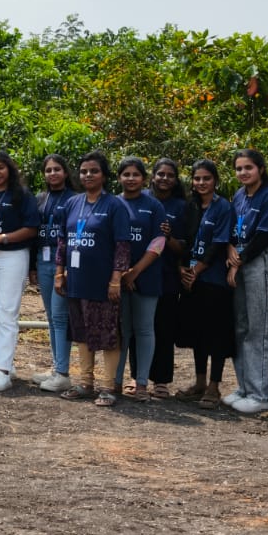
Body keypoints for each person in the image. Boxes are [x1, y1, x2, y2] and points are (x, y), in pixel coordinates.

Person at [54, 151, 127, 404]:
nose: (88, 175)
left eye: (94, 171)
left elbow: (122, 245)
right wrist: (58, 273)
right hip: (75, 281)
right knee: (81, 332)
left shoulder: (115, 205)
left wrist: (116, 280)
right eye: (84, 171)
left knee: (107, 335)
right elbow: (63, 241)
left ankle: (108, 387)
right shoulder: (74, 203)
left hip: (103, 283)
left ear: (104, 175)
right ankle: (85, 383)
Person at [0, 150, 40, 393]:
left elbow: (32, 228)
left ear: (10, 169)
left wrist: (1, 238)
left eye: (1, 168)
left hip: (12, 256)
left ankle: (3, 372)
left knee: (6, 310)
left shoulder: (21, 194)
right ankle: (4, 364)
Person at [225, 148, 268, 415]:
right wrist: (232, 255)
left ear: (260, 168)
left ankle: (261, 395)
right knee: (240, 326)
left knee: (260, 330)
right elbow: (230, 230)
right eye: (239, 169)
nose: (243, 173)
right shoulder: (239, 196)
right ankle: (244, 388)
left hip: (258, 262)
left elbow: (266, 235)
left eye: (248, 167)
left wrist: (239, 260)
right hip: (238, 263)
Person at [177, 159, 235, 409]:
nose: (201, 183)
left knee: (216, 334)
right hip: (190, 280)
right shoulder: (189, 207)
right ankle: (199, 381)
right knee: (198, 333)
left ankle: (214, 386)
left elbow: (219, 243)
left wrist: (197, 271)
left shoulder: (223, 207)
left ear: (215, 181)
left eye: (206, 179)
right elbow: (182, 240)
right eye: (197, 178)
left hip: (213, 281)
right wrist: (183, 269)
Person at [110, 158, 168, 402]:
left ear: (144, 178)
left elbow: (159, 242)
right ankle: (115, 381)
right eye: (126, 174)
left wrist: (135, 271)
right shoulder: (112, 203)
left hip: (147, 275)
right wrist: (121, 273)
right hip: (116, 278)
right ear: (119, 177)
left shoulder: (154, 206)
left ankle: (142, 383)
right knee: (121, 331)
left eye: (135, 174)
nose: (130, 178)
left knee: (144, 329)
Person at [30, 154, 77, 393]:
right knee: (50, 317)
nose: (53, 174)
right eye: (48, 170)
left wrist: (66, 268)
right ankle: (55, 367)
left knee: (60, 317)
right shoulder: (40, 198)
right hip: (43, 259)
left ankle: (63, 373)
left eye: (57, 169)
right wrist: (32, 266)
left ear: (66, 172)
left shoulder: (75, 199)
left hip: (63, 264)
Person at [148, 158, 187, 399]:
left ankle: (161, 380)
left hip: (168, 276)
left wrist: (169, 237)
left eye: (169, 175)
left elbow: (185, 247)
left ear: (175, 179)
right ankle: (137, 376)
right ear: (152, 176)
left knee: (163, 329)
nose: (164, 178)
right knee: (138, 329)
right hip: (139, 274)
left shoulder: (182, 207)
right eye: (160, 174)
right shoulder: (139, 199)